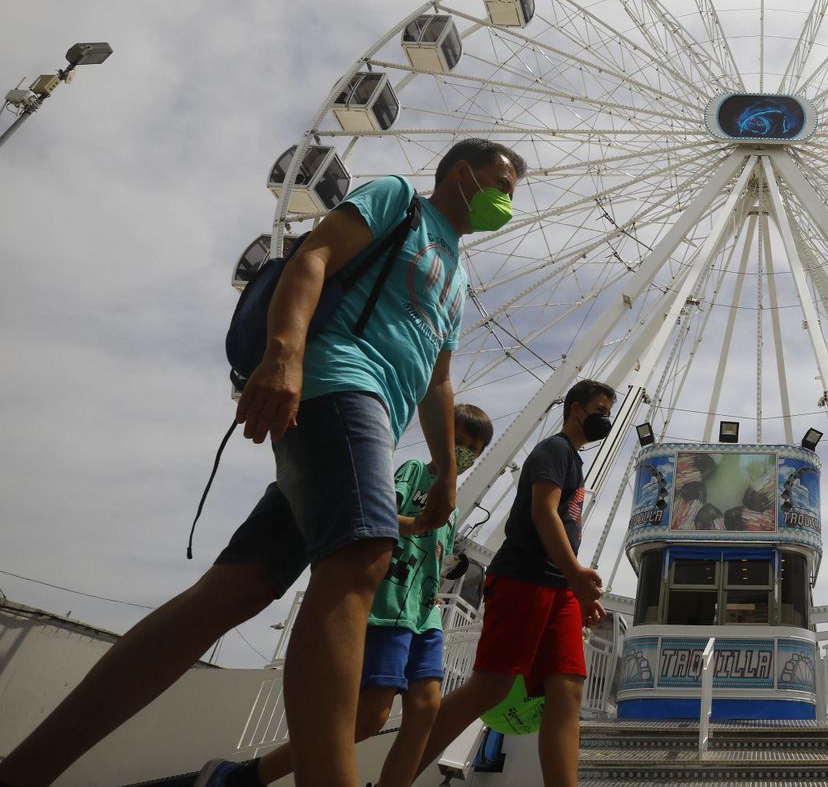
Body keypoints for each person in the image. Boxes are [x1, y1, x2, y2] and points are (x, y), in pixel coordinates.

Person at [0, 139, 526, 787]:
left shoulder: (461, 275)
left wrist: (448, 473)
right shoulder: (398, 202)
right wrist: (283, 353)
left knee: (232, 593)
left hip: (373, 421)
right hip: (337, 381)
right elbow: (315, 258)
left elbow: (438, 383)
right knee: (364, 555)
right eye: (501, 179)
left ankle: (23, 770)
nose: (508, 197)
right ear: (461, 172)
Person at [195, 404, 494, 787]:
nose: (463, 453)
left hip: (424, 612)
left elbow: (435, 557)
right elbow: (381, 513)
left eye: (473, 448)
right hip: (390, 604)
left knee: (425, 708)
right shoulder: (415, 473)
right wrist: (416, 524)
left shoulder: (451, 510)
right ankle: (244, 777)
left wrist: (434, 591)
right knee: (371, 718)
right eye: (456, 442)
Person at [409, 380, 616, 787]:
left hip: (559, 586)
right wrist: (575, 574)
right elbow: (543, 514)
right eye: (600, 409)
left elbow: (565, 525)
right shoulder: (554, 450)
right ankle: (397, 775)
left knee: (568, 690)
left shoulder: (574, 460)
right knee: (489, 688)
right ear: (576, 409)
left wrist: (574, 584)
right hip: (525, 576)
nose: (605, 419)